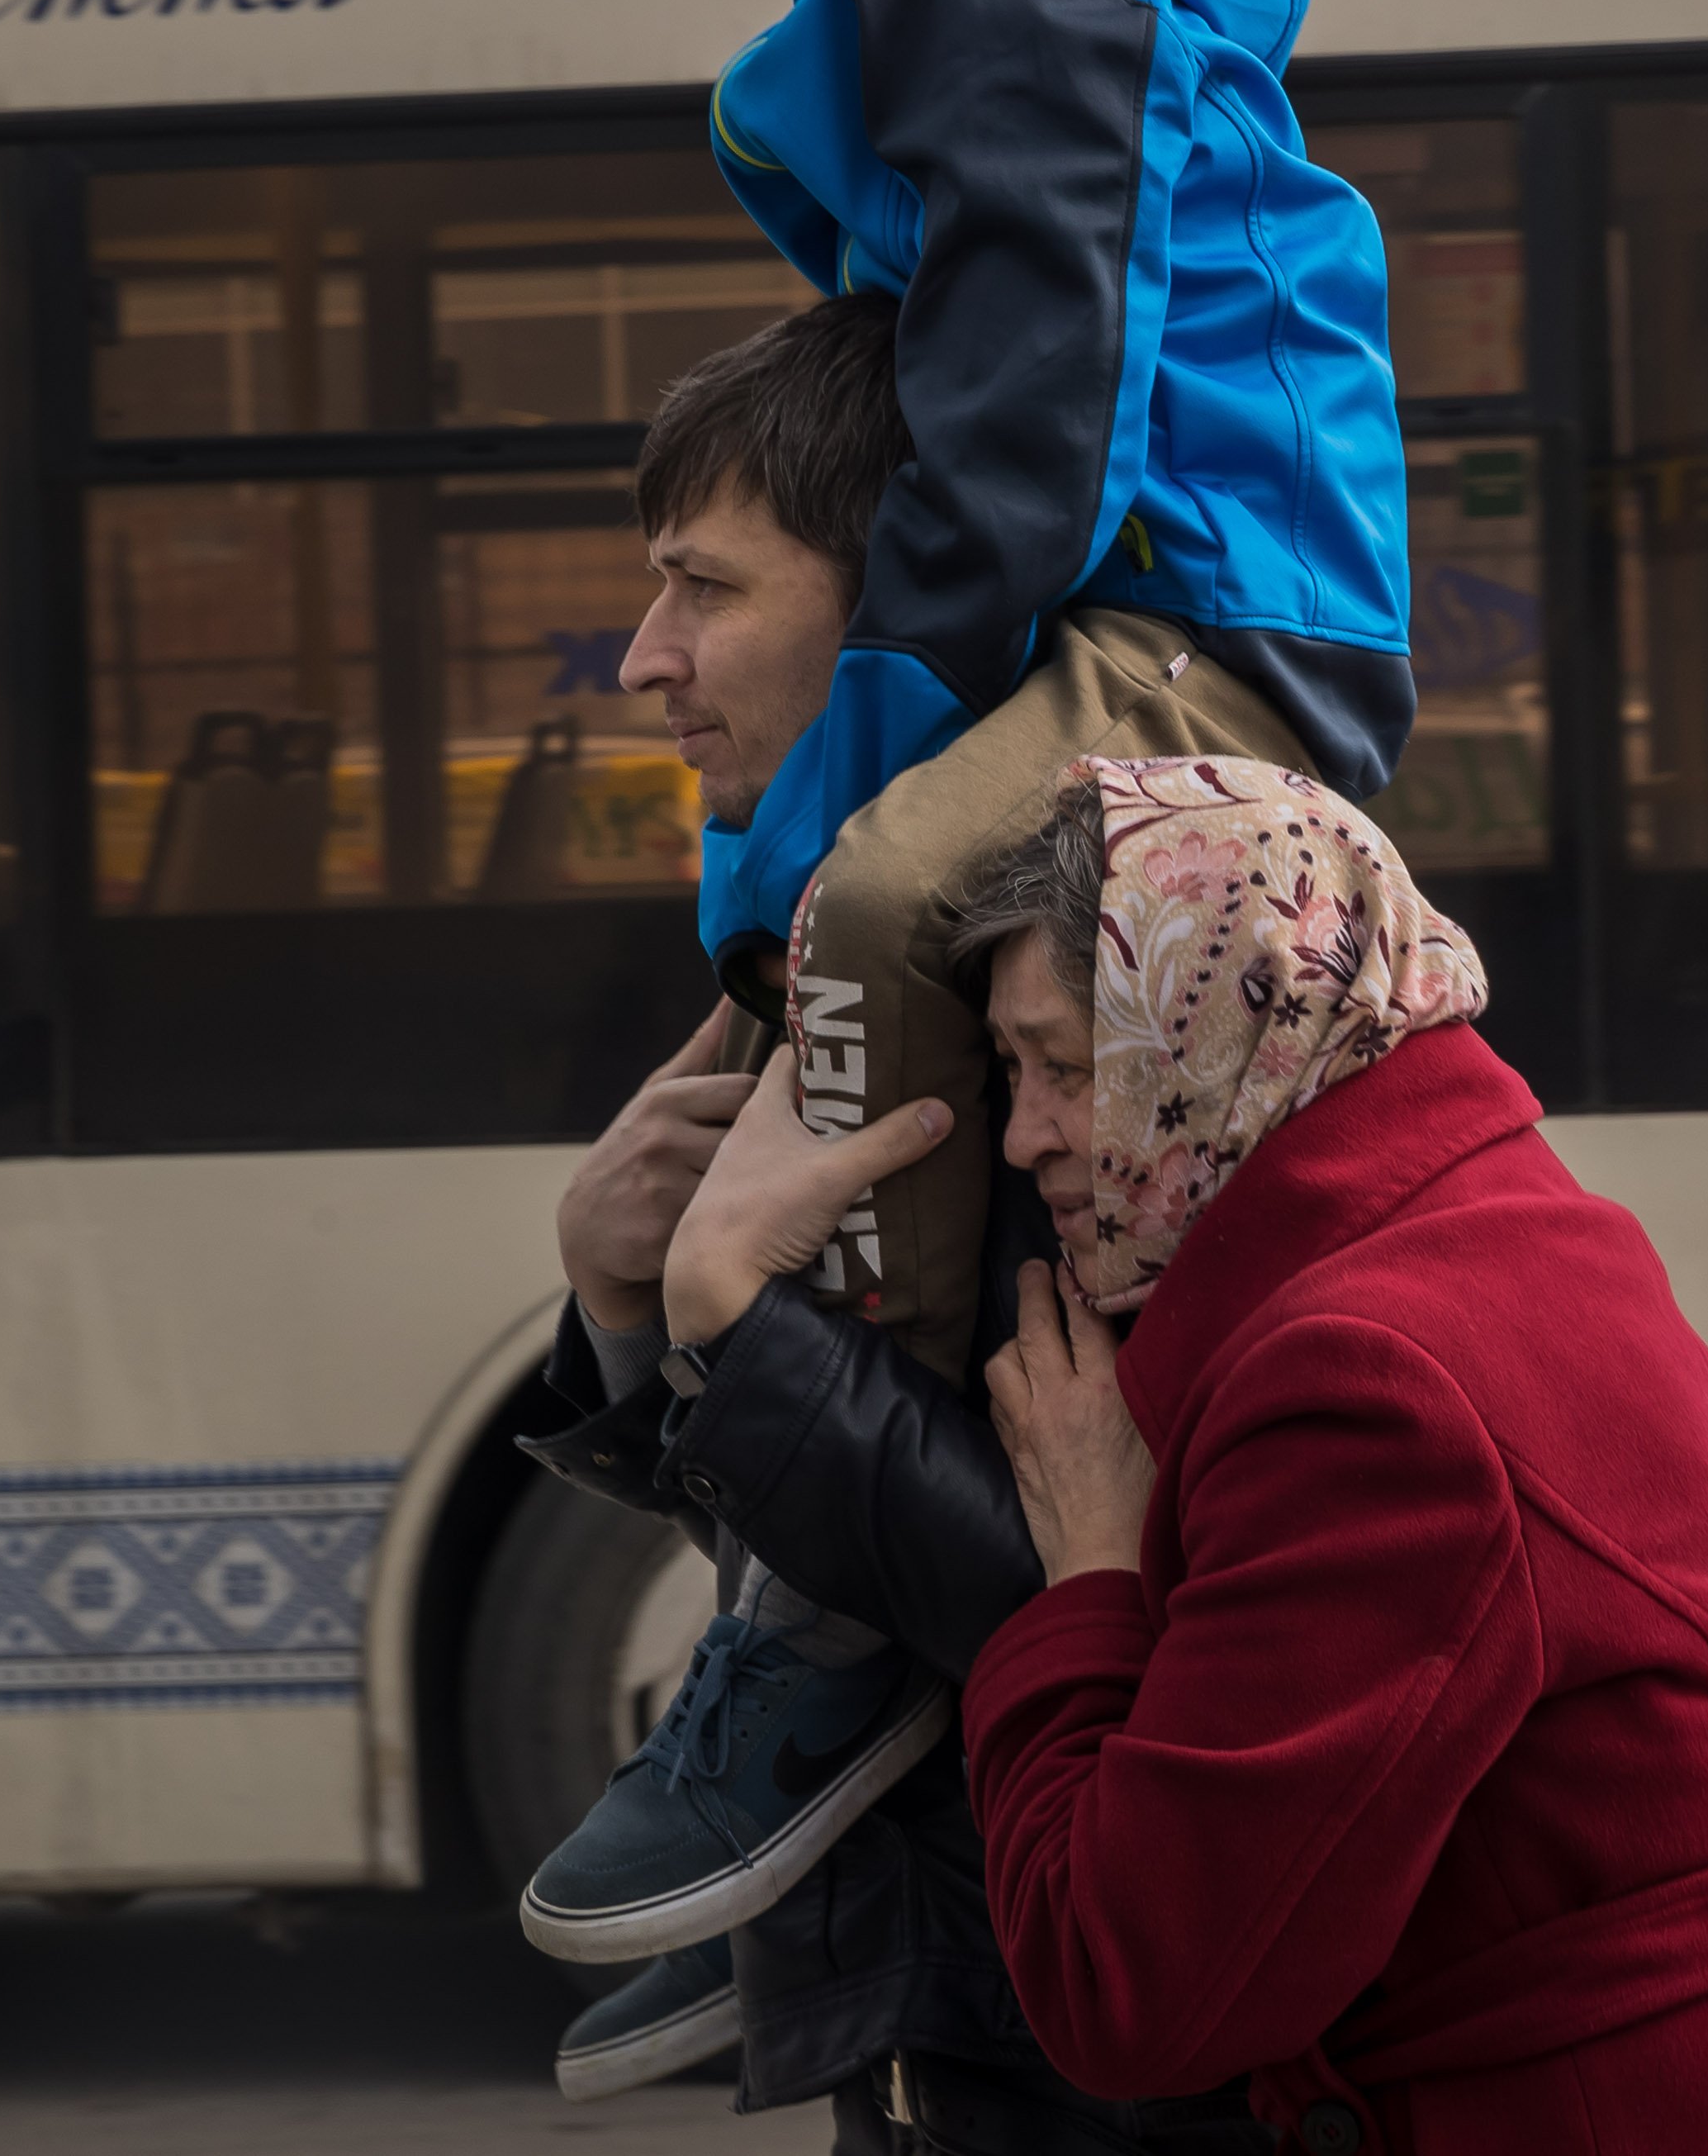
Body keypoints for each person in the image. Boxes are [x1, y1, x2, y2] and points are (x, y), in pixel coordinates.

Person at [520, 0, 1416, 1983]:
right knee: (806, 895)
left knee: (880, 877)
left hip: (1203, 612)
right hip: (1137, 580)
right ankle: (819, 1507)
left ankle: (826, 1599)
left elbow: (1041, 389)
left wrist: (880, 714)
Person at [655, 760, 1708, 2154]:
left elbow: (1135, 1989)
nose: (1028, 1133)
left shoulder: (1366, 1385)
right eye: (1007, 1071)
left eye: (1065, 1064)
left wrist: (1090, 1584)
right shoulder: (1477, 1219)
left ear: (1223, 1031)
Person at [520, 298, 1269, 2149]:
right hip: (943, 1980)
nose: (642, 657)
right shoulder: (837, 939)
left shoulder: (1070, 1017)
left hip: (1074, 2028)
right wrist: (627, 1303)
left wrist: (725, 1315)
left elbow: (1082, 1595)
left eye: (704, 589)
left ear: (888, 613)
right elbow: (813, 1527)